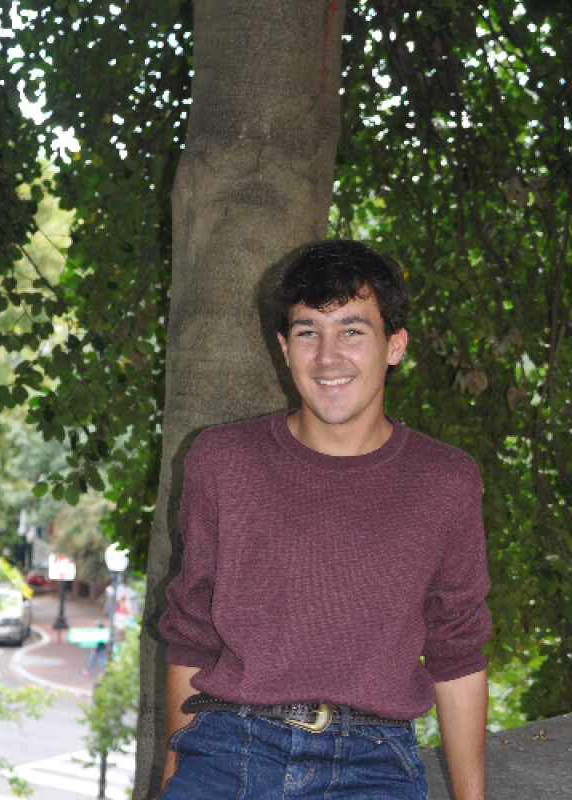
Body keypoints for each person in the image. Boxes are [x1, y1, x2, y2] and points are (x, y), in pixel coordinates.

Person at [158, 240, 492, 800]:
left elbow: (457, 651)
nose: (328, 356)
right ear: (284, 348)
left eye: (352, 331)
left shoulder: (446, 481)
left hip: (374, 765)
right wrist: (175, 780)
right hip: (229, 747)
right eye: (308, 332)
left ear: (395, 345)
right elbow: (192, 634)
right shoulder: (222, 460)